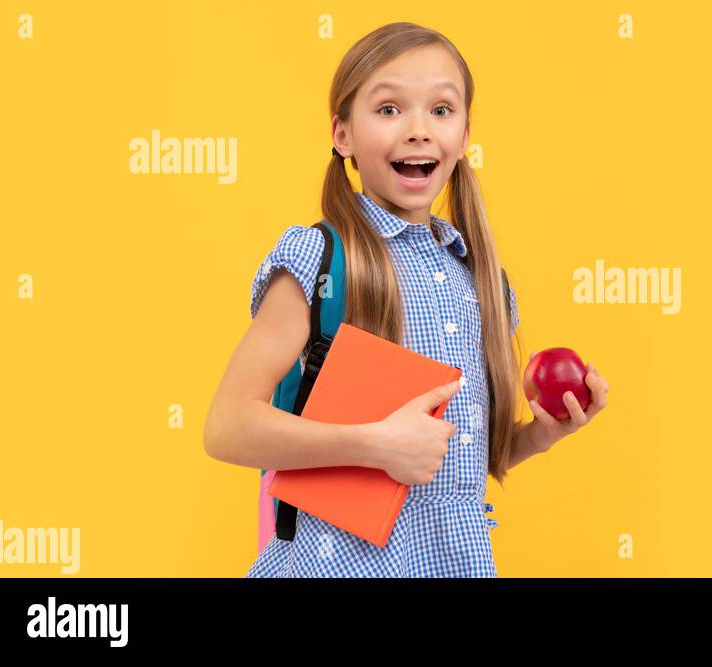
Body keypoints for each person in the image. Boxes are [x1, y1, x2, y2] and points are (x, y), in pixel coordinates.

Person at [203, 22, 610, 577]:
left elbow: (454, 463)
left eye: (441, 110)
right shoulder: (321, 259)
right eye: (390, 109)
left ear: (466, 134)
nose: (419, 130)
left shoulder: (481, 281)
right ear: (342, 134)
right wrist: (374, 444)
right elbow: (227, 427)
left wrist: (539, 435)